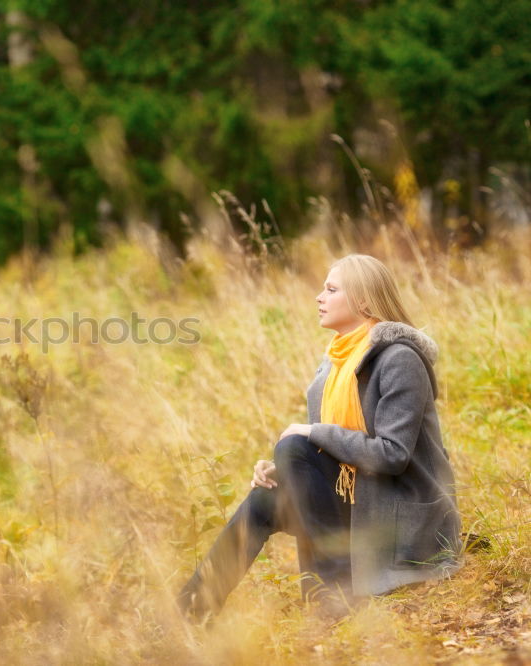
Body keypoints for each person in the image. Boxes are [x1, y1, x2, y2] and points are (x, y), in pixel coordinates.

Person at [177, 254, 463, 621]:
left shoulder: (399, 359)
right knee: (266, 497)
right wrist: (284, 469)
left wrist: (310, 434)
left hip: (400, 519)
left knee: (295, 443)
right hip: (358, 503)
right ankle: (192, 611)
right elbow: (329, 455)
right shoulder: (333, 365)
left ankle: (337, 596)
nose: (318, 297)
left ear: (362, 300)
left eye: (330, 289)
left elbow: (392, 455)